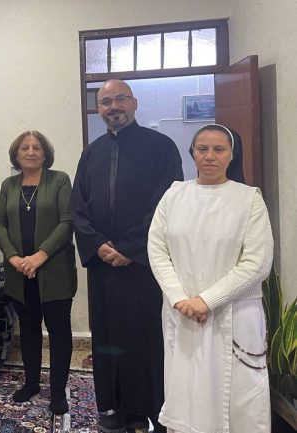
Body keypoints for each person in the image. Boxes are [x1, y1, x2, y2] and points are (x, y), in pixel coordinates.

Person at [70, 79, 183, 432]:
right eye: (106, 102)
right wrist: (97, 244)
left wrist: (132, 248)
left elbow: (167, 202)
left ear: (134, 104)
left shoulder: (161, 148)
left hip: (144, 264)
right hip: (103, 265)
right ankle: (116, 408)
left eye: (120, 99)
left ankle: (153, 411)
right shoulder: (91, 152)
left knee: (146, 337)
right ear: (98, 109)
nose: (113, 107)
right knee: (108, 337)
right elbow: (78, 206)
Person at [148, 124, 273, 433]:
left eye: (219, 149)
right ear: (192, 153)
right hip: (183, 314)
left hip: (232, 313)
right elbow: (157, 250)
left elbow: (257, 263)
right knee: (186, 394)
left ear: (232, 154)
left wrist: (207, 300)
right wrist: (180, 298)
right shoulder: (174, 195)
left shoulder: (249, 199)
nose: (209, 156)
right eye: (202, 149)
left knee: (239, 401)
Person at [0, 131, 76, 414]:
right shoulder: (8, 185)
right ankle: (31, 384)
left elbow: (67, 221)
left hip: (54, 270)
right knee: (28, 329)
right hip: (20, 271)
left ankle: (57, 392)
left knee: (59, 331)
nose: (30, 152)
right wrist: (14, 257)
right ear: (16, 155)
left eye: (36, 147)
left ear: (45, 154)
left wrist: (40, 255)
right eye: (24, 148)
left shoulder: (60, 180)